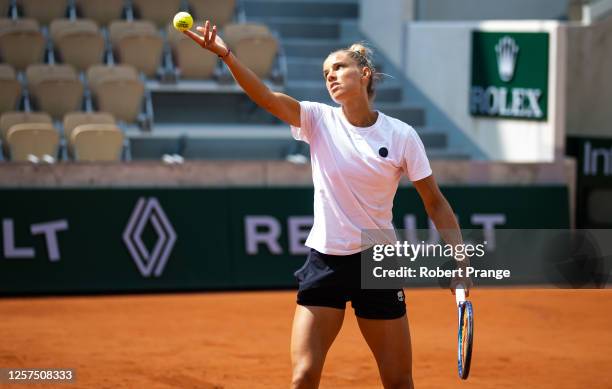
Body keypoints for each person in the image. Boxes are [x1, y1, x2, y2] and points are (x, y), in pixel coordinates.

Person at [185, 21, 470, 389]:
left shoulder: (401, 136)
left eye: (338, 67)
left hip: (377, 264)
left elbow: (435, 203)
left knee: (399, 381)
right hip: (325, 262)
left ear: (364, 74)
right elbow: (267, 98)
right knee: (302, 376)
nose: (330, 76)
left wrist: (460, 260)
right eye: (325, 73)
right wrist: (226, 55)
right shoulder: (317, 119)